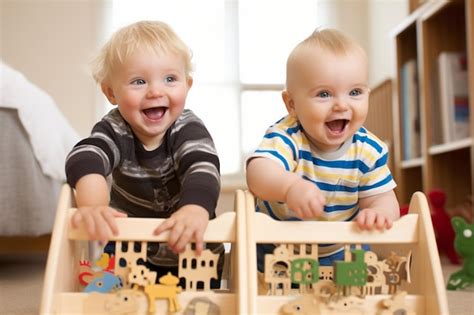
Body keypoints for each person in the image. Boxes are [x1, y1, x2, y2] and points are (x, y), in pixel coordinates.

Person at [65, 20, 223, 286]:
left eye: (170, 79)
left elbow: (203, 167)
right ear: (111, 92)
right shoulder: (115, 128)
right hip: (129, 251)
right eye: (139, 81)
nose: (155, 91)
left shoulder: (187, 127)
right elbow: (86, 155)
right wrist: (93, 206)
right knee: (118, 299)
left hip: (189, 250)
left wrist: (195, 209)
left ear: (188, 84)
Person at [246, 28, 400, 273]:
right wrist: (290, 188)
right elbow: (258, 173)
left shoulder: (369, 150)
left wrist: (379, 212)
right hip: (277, 247)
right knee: (274, 299)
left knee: (352, 299)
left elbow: (382, 197)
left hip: (342, 248)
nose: (342, 104)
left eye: (355, 92)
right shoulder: (287, 137)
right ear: (292, 105)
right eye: (324, 94)